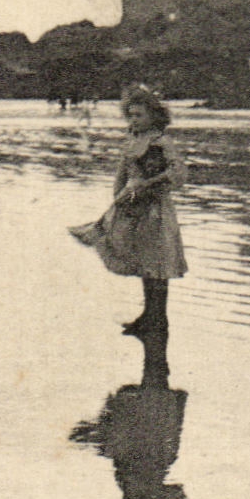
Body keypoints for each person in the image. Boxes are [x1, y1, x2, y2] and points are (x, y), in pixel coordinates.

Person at [69, 84, 187, 338]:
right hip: (132, 205)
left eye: (139, 115)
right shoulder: (132, 141)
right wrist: (118, 195)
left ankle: (158, 318)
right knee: (144, 261)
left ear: (154, 116)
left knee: (157, 264)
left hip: (155, 210)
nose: (134, 120)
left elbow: (178, 173)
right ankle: (148, 315)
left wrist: (150, 184)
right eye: (130, 115)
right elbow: (122, 171)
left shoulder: (161, 141)